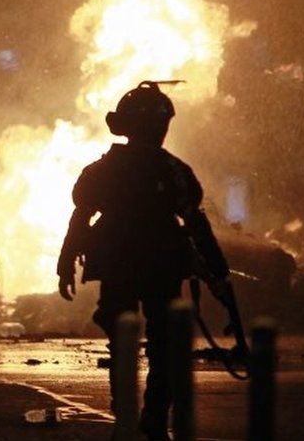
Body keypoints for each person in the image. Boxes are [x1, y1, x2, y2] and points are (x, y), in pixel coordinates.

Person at [56, 81, 231, 440]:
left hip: (122, 266)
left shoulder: (103, 171)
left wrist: (66, 261)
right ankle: (151, 420)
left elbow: (81, 218)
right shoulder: (173, 172)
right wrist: (218, 271)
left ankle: (129, 418)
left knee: (124, 342)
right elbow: (196, 224)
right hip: (160, 267)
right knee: (161, 344)